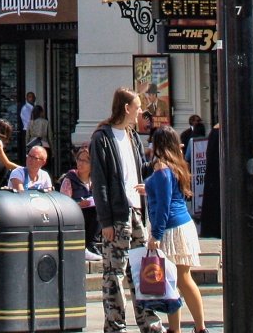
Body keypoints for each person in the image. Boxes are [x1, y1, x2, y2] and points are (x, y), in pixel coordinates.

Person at [92, 88, 165, 333]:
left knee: (144, 271)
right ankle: (115, 325)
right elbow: (100, 183)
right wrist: (106, 222)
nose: (140, 113)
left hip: (136, 211)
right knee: (115, 273)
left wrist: (156, 165)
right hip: (118, 214)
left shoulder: (132, 135)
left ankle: (150, 323)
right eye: (137, 107)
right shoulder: (102, 137)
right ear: (126, 108)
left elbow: (138, 168)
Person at [146, 126, 206, 333]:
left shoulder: (161, 167)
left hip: (171, 226)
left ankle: (186, 328)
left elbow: (163, 204)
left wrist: (156, 234)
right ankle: (193, 327)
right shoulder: (176, 165)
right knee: (179, 279)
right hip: (182, 223)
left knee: (177, 280)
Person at [61, 145, 100, 258]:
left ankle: (91, 244)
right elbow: (64, 204)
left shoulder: (95, 180)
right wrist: (79, 204)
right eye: (79, 159)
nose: (81, 163)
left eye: (85, 161)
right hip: (74, 214)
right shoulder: (70, 179)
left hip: (92, 216)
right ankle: (88, 245)